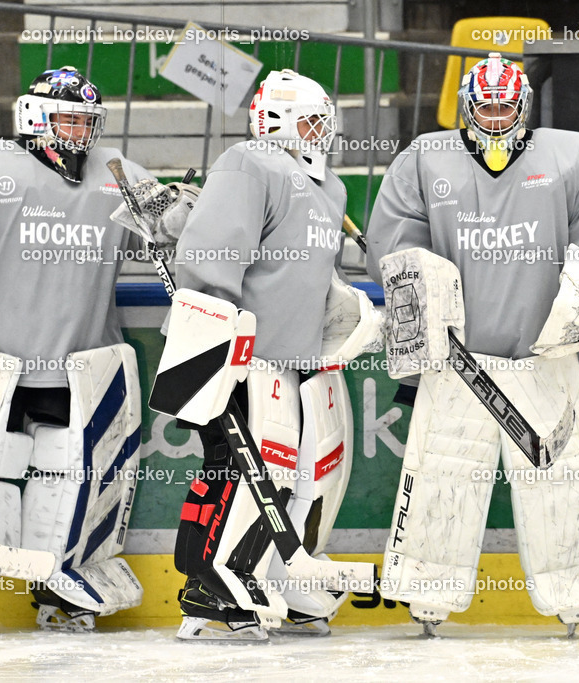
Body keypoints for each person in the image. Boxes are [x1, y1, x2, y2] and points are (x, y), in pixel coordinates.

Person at [0, 66, 181, 633]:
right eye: (69, 119)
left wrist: (189, 211)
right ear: (33, 118)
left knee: (70, 491)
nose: (80, 132)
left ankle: (61, 593)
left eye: (89, 121)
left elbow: (174, 228)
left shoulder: (117, 172)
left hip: (80, 372)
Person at [365, 53, 579, 635]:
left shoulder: (570, 154)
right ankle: (428, 592)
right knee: (442, 478)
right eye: (484, 104)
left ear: (525, 107)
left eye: (505, 104)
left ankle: (576, 589)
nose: (494, 114)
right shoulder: (423, 160)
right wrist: (416, 286)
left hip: (548, 360)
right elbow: (392, 247)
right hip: (457, 365)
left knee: (563, 479)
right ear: (466, 106)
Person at [151, 69, 383, 640]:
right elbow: (211, 258)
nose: (322, 132)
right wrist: (213, 346)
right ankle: (213, 589)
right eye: (311, 120)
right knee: (240, 474)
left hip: (300, 362)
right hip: (245, 358)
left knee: (303, 477)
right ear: (277, 120)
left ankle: (279, 577)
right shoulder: (247, 163)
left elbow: (311, 273)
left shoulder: (332, 189)